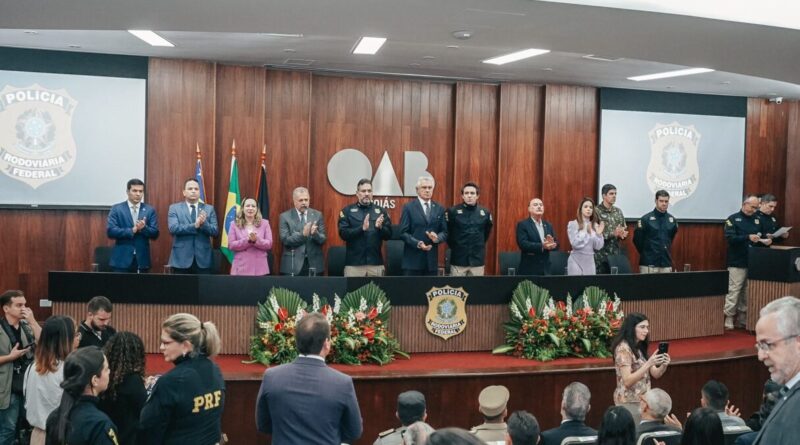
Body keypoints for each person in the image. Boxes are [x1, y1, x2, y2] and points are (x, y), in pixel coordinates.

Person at [256, 312, 362, 444]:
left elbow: (263, 425)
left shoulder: (272, 377)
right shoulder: (342, 383)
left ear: (296, 342)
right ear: (327, 344)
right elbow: (354, 431)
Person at [139, 313, 224, 444]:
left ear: (186, 345)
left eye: (166, 342)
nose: (161, 347)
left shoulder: (171, 382)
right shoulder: (215, 369)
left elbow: (148, 429)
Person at [44, 346, 118, 445]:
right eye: (106, 369)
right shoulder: (99, 424)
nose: (109, 372)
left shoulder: (54, 417)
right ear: (95, 380)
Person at [752, 296, 800, 445]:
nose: (760, 356)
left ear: (798, 343)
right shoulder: (789, 392)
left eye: (767, 345)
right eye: (759, 346)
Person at [23, 316, 77, 445]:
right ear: (65, 339)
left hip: (37, 435)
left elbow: (27, 402)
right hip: (61, 436)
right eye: (75, 334)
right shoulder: (67, 369)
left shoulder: (32, 367)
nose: (78, 339)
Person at [611, 312, 669, 423]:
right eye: (642, 327)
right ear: (631, 328)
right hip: (629, 403)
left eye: (647, 327)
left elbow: (656, 374)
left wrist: (664, 364)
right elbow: (627, 381)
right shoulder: (623, 349)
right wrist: (648, 363)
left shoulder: (639, 347)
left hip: (643, 401)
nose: (646, 331)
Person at [0, 290, 41, 444]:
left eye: (25, 304)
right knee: (8, 428)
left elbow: (44, 342)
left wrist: (33, 321)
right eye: (19, 305)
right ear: (6, 308)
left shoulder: (27, 326)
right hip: (6, 387)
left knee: (27, 426)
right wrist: (10, 357)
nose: (24, 308)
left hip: (27, 384)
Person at [723, 195, 767, 330]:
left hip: (753, 261)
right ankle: (729, 317)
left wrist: (766, 240)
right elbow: (730, 239)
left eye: (756, 208)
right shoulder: (733, 219)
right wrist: (747, 237)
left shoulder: (758, 220)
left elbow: (762, 236)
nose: (754, 210)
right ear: (745, 204)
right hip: (737, 261)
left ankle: (743, 317)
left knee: (747, 291)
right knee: (734, 290)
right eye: (752, 207)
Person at [338, 178, 392, 277]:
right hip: (354, 266)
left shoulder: (381, 211)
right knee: (354, 293)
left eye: (369, 191)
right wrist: (361, 228)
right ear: (357, 193)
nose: (366, 193)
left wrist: (380, 228)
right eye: (363, 191)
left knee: (377, 293)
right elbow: (343, 234)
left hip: (376, 264)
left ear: (372, 193)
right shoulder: (347, 211)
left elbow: (388, 235)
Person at [99, 332, 146, 445]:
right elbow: (144, 410)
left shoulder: (104, 378)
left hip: (107, 436)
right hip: (128, 438)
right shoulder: (132, 380)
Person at [106, 178, 160, 273]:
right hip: (121, 260)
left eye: (141, 191)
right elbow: (111, 231)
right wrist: (132, 230)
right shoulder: (117, 209)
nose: (138, 194)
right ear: (127, 191)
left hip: (142, 260)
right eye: (135, 191)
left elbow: (155, 234)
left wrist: (144, 228)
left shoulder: (149, 210)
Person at [167, 178, 219, 274]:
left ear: (199, 192)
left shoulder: (209, 209)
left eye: (196, 189)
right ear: (184, 192)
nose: (193, 191)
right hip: (181, 259)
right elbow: (173, 228)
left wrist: (204, 224)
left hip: (203, 259)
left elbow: (215, 232)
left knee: (204, 289)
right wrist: (194, 225)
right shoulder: (174, 208)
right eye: (190, 189)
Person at [399, 176, 447, 276]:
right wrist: (418, 243)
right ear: (417, 190)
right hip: (412, 262)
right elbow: (403, 232)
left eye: (430, 188)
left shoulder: (439, 208)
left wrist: (437, 238)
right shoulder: (408, 207)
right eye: (424, 187)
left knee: (430, 291)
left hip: (431, 263)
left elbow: (445, 232)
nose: (427, 190)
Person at [446, 182, 493, 277]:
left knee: (476, 290)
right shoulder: (452, 211)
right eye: (466, 193)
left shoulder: (485, 212)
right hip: (458, 259)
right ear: (462, 196)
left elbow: (486, 233)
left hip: (477, 260)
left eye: (472, 193)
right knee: (456, 289)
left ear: (477, 196)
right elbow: (448, 233)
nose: (469, 196)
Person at [279, 187, 327, 276]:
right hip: (292, 264)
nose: (304, 203)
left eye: (306, 200)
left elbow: (323, 239)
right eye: (301, 200)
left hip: (314, 264)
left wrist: (315, 234)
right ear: (294, 201)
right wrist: (303, 235)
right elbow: (285, 240)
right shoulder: (285, 216)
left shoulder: (317, 215)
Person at [633, 190, 678, 273]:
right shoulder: (645, 219)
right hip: (648, 264)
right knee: (647, 286)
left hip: (665, 263)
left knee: (666, 286)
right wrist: (647, 252)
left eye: (666, 201)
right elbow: (637, 240)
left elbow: (670, 239)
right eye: (661, 201)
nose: (664, 204)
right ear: (656, 201)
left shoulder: (672, 220)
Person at [227, 197, 273, 275]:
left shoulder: (265, 223)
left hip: (259, 268)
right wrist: (247, 240)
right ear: (242, 208)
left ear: (257, 209)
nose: (250, 208)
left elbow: (269, 244)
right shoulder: (234, 224)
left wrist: (256, 240)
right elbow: (231, 245)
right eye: (247, 206)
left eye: (253, 206)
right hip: (240, 267)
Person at [516, 198, 558, 275]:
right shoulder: (523, 225)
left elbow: (556, 243)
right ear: (529, 209)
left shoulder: (548, 225)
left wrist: (552, 245)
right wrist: (542, 246)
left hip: (546, 270)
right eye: (535, 205)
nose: (539, 207)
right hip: (529, 269)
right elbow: (523, 244)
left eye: (541, 205)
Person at [595, 184, 628, 274]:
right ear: (604, 196)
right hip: (600, 257)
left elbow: (623, 229)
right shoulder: (596, 211)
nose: (614, 196)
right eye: (611, 194)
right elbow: (594, 235)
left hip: (615, 255)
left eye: (615, 194)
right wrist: (613, 234)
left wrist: (623, 234)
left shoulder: (618, 211)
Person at [567, 197, 604, 275]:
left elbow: (598, 247)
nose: (588, 209)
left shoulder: (595, 225)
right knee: (575, 286)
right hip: (576, 260)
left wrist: (599, 235)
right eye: (586, 206)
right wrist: (586, 233)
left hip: (590, 261)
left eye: (591, 207)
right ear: (580, 209)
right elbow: (575, 244)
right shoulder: (573, 224)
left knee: (590, 286)